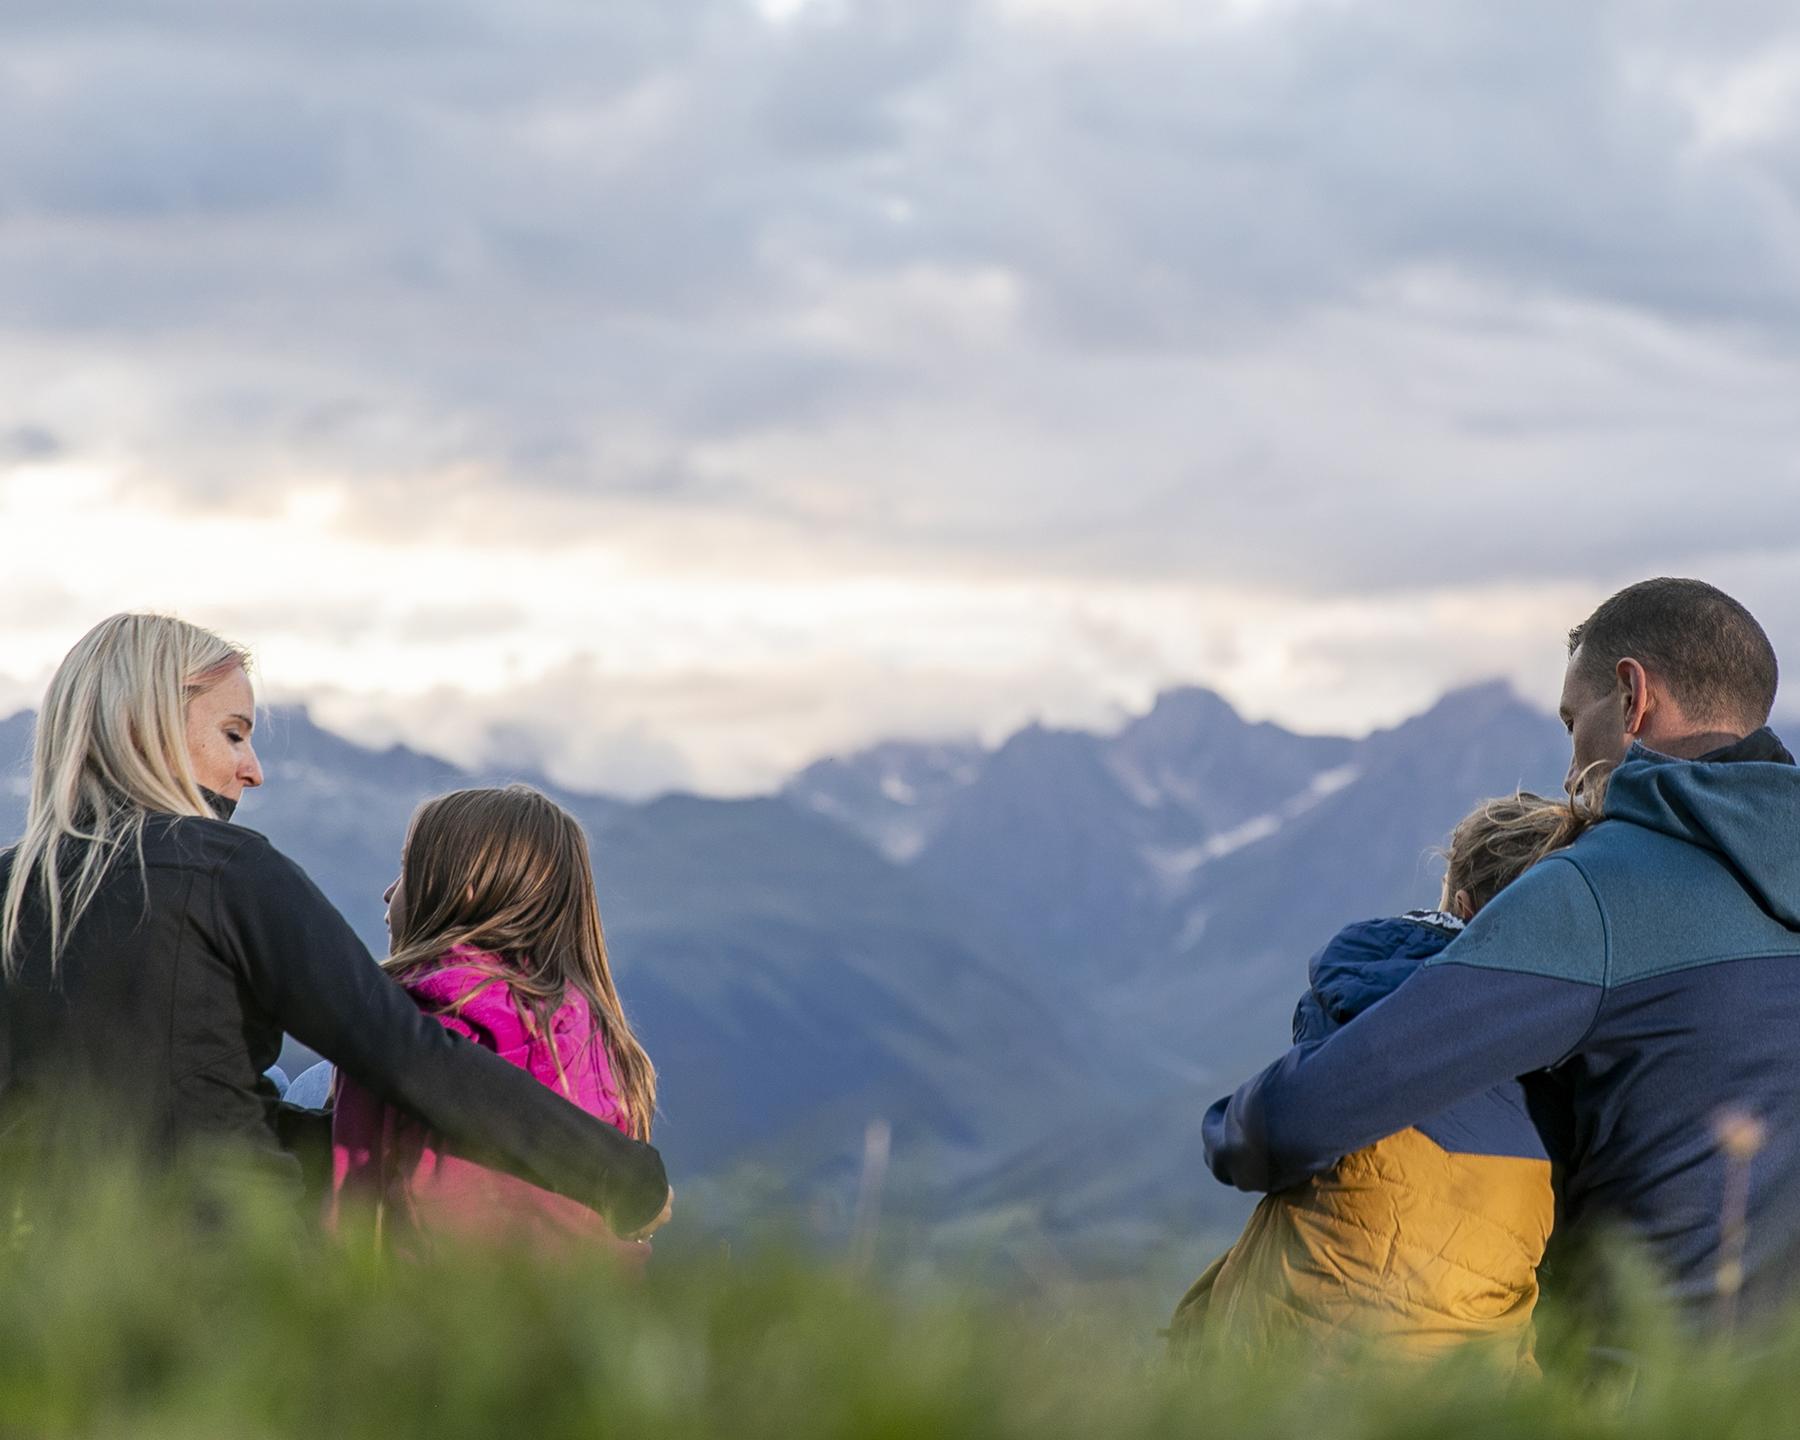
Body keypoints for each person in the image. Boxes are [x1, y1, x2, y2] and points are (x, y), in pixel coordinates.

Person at [1204, 578, 1800, 1321]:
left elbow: (1297, 1123)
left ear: (1631, 697)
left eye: (1572, 721)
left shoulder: (1598, 893)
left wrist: (1232, 1124)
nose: (1569, 770)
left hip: (1641, 1392)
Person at [0, 614, 671, 1239]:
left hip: (44, 1278)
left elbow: (160, 1102)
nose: (252, 770)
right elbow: (403, 1051)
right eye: (234, 733)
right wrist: (620, 1176)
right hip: (220, 1264)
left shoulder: (9, 888)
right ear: (150, 729)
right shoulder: (226, 874)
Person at [1172, 793, 1591, 1366]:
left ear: (1460, 905)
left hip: (1288, 1362)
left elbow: (1258, 1138)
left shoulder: (1368, 1005)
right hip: (1466, 1393)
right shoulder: (1576, 1055)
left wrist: (1224, 1123)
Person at [329, 785, 656, 1261]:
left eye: (405, 870)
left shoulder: (407, 1025)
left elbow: (358, 1196)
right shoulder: (596, 1036)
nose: (388, 891)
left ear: (464, 893)